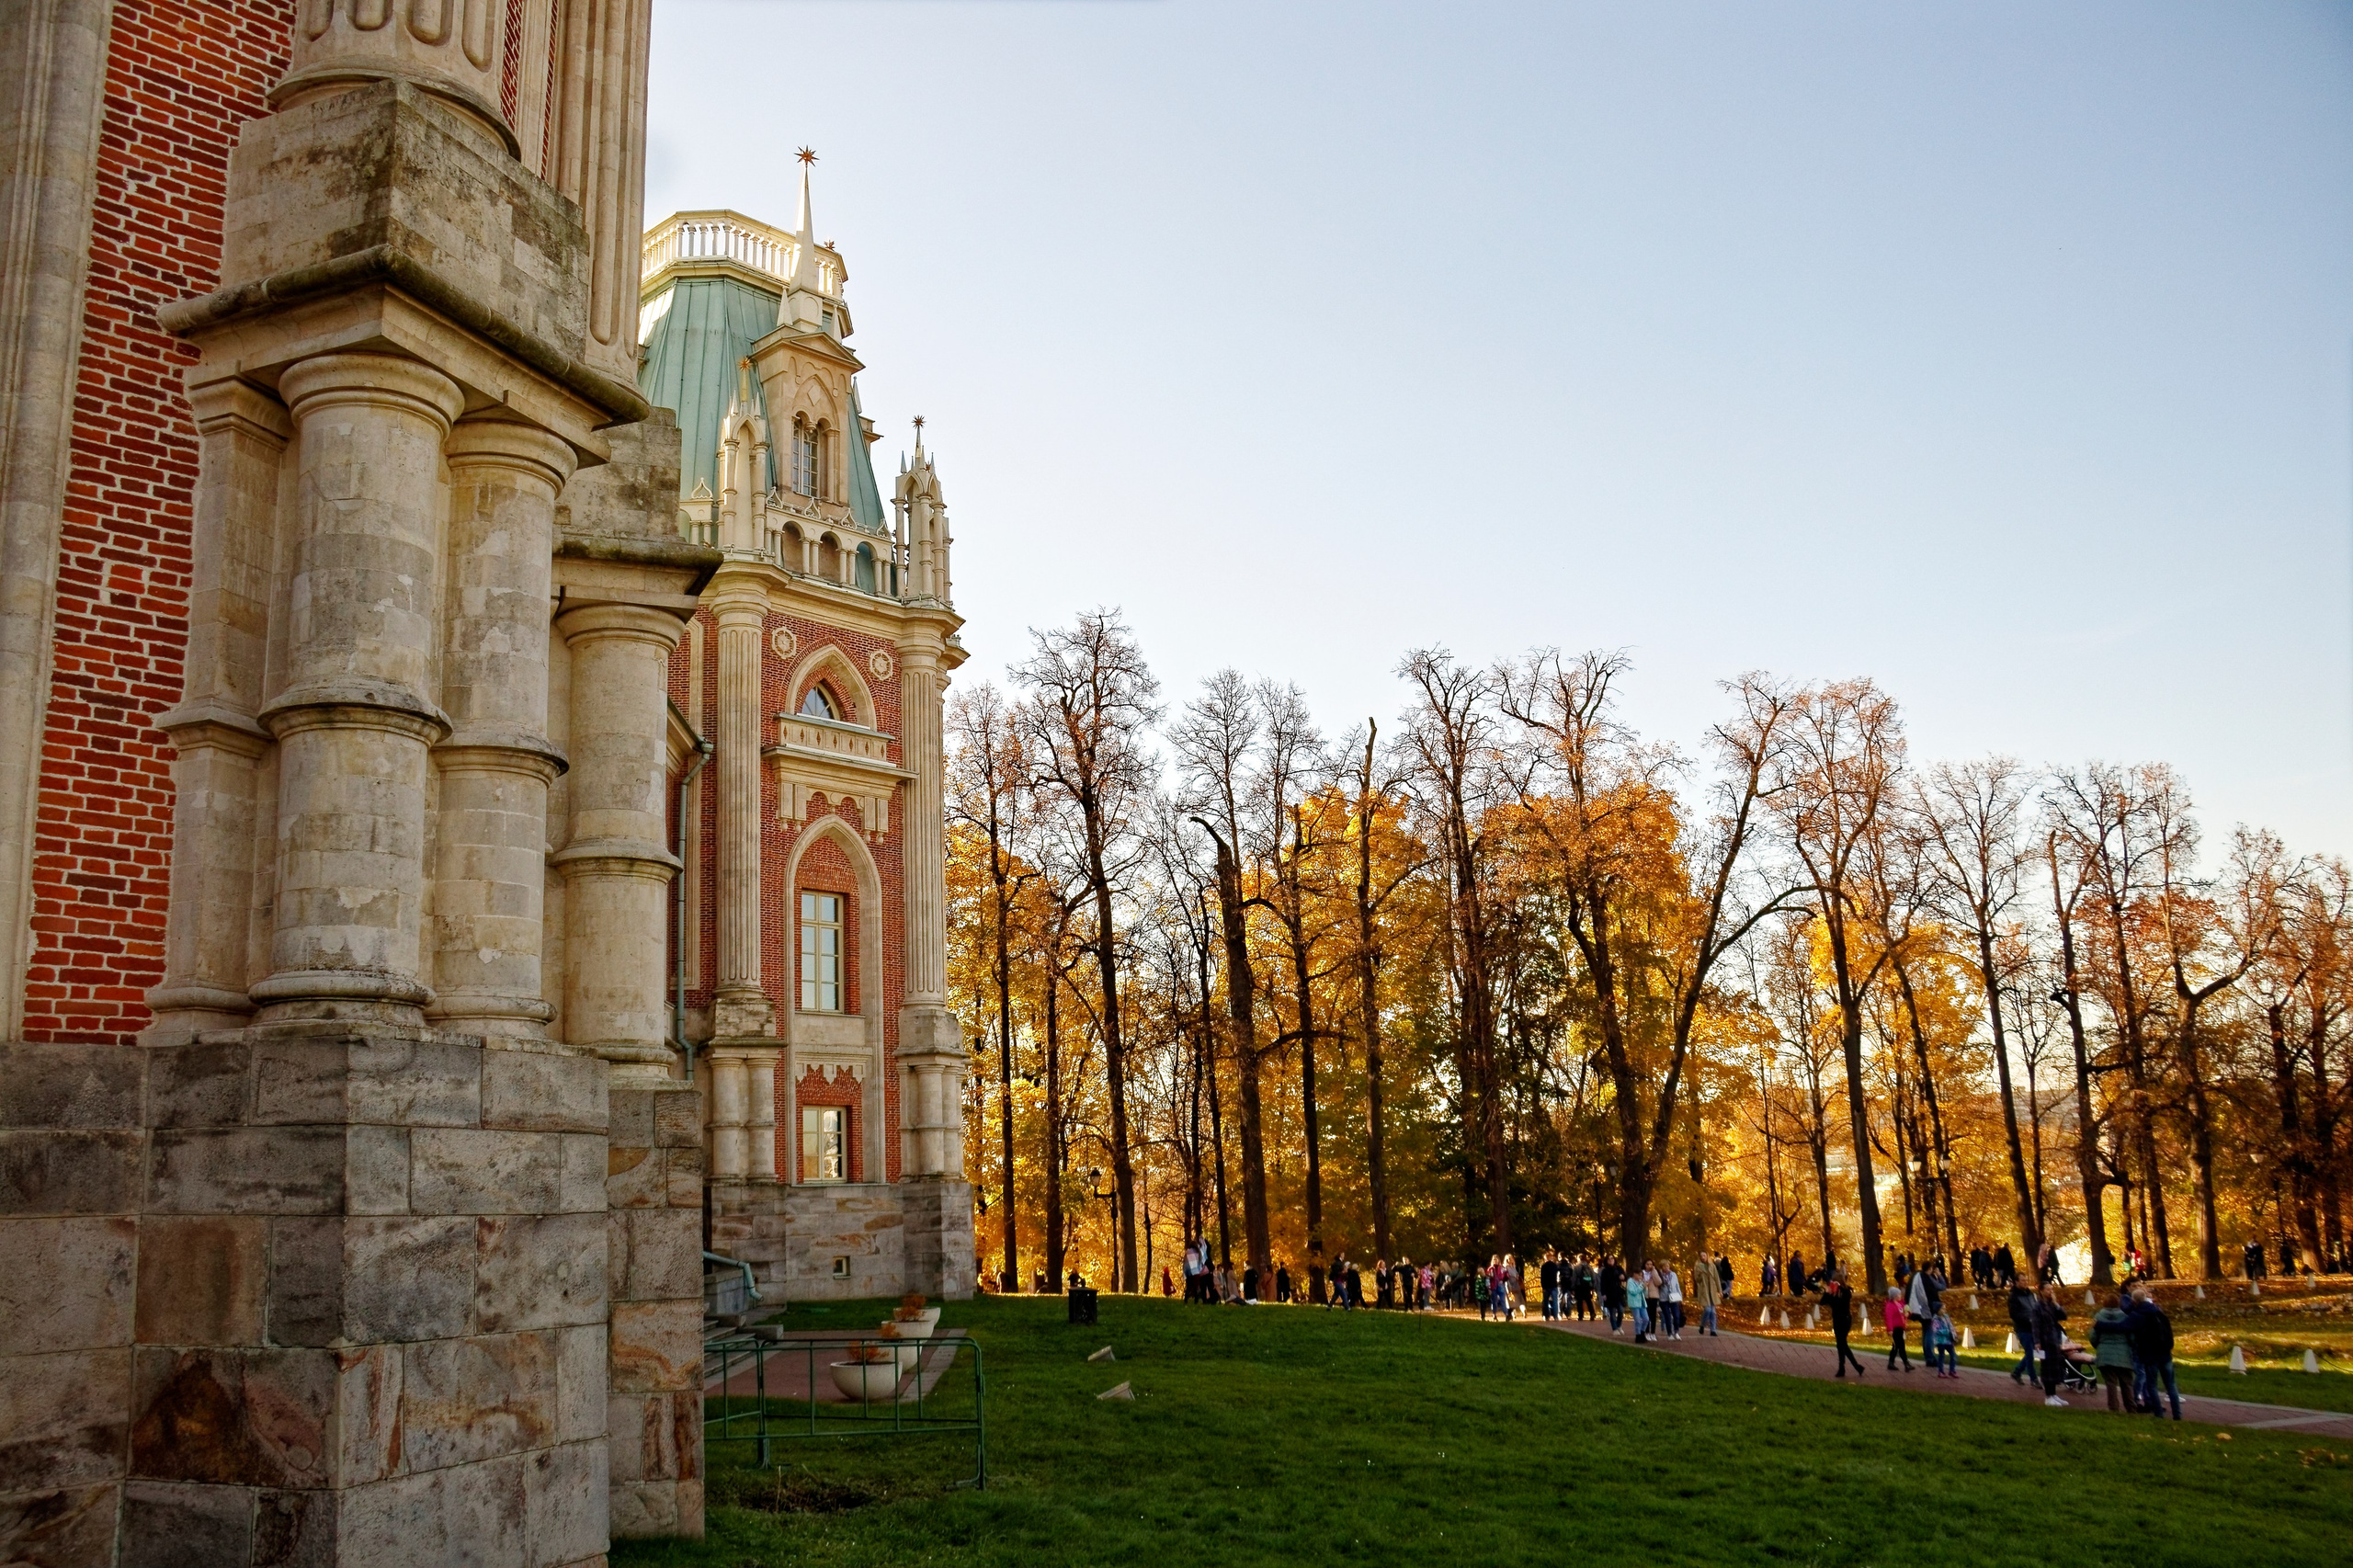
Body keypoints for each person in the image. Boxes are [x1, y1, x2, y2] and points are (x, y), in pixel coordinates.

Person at [2126, 1285, 2181, 1420]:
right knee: (2171, 1385)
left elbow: (2123, 1326)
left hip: (2150, 1355)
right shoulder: (2158, 1312)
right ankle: (2177, 1415)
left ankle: (2158, 1413)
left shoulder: (2137, 1315)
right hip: (2165, 1353)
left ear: (2134, 1301)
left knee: (2152, 1385)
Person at [2089, 1290, 2137, 1414]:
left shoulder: (2098, 1317)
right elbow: (2132, 1338)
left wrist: (2099, 1346)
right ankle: (2131, 1407)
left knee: (2111, 1383)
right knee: (2126, 1383)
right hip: (2123, 1354)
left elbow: (2093, 1337)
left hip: (2105, 1353)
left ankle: (2113, 1408)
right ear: (2118, 1303)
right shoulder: (2125, 1317)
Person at [2032, 1284, 2070, 1406]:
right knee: (2047, 1368)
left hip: (2055, 1339)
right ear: (2041, 1291)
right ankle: (2048, 1396)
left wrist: (2056, 1304)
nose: (2050, 1292)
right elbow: (2036, 1325)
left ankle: (2053, 1394)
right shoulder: (2038, 1307)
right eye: (2047, 1289)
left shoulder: (2052, 1305)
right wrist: (2037, 1341)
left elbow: (2063, 1316)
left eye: (2051, 1290)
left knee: (2055, 1368)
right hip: (2045, 1340)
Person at [1823, 1269, 1865, 1378]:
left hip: (1845, 1320)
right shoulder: (1833, 1292)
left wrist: (1835, 1293)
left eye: (1834, 1281)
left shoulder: (1846, 1292)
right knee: (1840, 1344)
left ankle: (1856, 1366)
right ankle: (1843, 1368)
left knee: (1842, 1344)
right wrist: (1828, 1292)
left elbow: (1840, 1304)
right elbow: (1823, 1302)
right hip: (1837, 1320)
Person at [2006, 1274, 2040, 1387]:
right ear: (2016, 1282)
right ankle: (2033, 1379)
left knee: (2034, 1353)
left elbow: (2035, 1307)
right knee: (2030, 1353)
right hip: (2023, 1329)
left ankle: (2017, 1372)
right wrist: (2028, 1320)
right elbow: (2014, 1314)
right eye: (2022, 1281)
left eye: (2026, 1280)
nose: (2025, 1282)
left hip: (2034, 1328)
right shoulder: (2013, 1296)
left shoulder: (2030, 1293)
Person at [1692, 1248, 1722, 1335]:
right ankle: (1702, 1325)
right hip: (1704, 1291)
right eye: (1701, 1256)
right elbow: (1696, 1279)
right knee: (1708, 1310)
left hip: (1712, 1290)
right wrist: (1701, 1276)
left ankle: (1713, 1330)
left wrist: (1720, 1290)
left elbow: (1716, 1278)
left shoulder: (1712, 1266)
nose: (1703, 1257)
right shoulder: (1698, 1266)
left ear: (1707, 1256)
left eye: (1704, 1255)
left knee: (1713, 1311)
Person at [1882, 1286, 1913, 1371]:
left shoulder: (1901, 1303)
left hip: (1901, 1327)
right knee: (1900, 1346)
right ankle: (1906, 1363)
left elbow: (1907, 1312)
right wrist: (1890, 1329)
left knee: (1896, 1346)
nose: (1900, 1296)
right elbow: (1889, 1318)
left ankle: (1891, 1363)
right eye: (1899, 1294)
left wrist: (1908, 1313)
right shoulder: (1890, 1306)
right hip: (1895, 1328)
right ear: (1894, 1296)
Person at [1927, 1304, 1958, 1378]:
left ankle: (1952, 1370)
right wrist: (1947, 1332)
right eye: (1942, 1309)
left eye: (1944, 1309)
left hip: (1948, 1340)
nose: (1944, 1310)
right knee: (1941, 1356)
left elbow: (1950, 1326)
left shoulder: (1946, 1317)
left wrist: (1954, 1334)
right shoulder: (1935, 1319)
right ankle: (1941, 1371)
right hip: (1940, 1341)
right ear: (1938, 1310)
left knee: (1953, 1355)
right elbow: (1936, 1330)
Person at [1599, 1256, 1625, 1333]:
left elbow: (1624, 1277)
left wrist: (1623, 1277)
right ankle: (1615, 1328)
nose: (1611, 1260)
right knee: (1612, 1311)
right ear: (1606, 1261)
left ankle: (1618, 1325)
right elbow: (1603, 1283)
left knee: (1621, 1310)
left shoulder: (1618, 1268)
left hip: (1618, 1293)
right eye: (1609, 1259)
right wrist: (1603, 1294)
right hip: (1609, 1293)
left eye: (1612, 1259)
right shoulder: (1605, 1271)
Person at [1627, 1264, 1651, 1343]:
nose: (1640, 1277)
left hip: (1642, 1303)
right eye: (1639, 1275)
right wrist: (1641, 1287)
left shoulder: (1640, 1282)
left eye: (1641, 1275)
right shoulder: (1630, 1281)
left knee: (1646, 1319)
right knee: (1638, 1320)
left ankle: (1642, 1332)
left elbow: (1644, 1293)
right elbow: (1633, 1292)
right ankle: (1638, 1335)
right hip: (1634, 1303)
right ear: (1634, 1274)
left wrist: (1645, 1287)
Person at [1661, 1263, 1684, 1339]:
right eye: (1664, 1266)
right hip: (1664, 1298)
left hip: (1674, 1297)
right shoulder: (1660, 1275)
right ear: (1662, 1267)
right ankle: (1669, 1333)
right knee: (1667, 1316)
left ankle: (1676, 1331)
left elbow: (1677, 1285)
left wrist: (1680, 1296)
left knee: (1676, 1315)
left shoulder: (1673, 1274)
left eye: (1667, 1266)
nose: (1666, 1267)